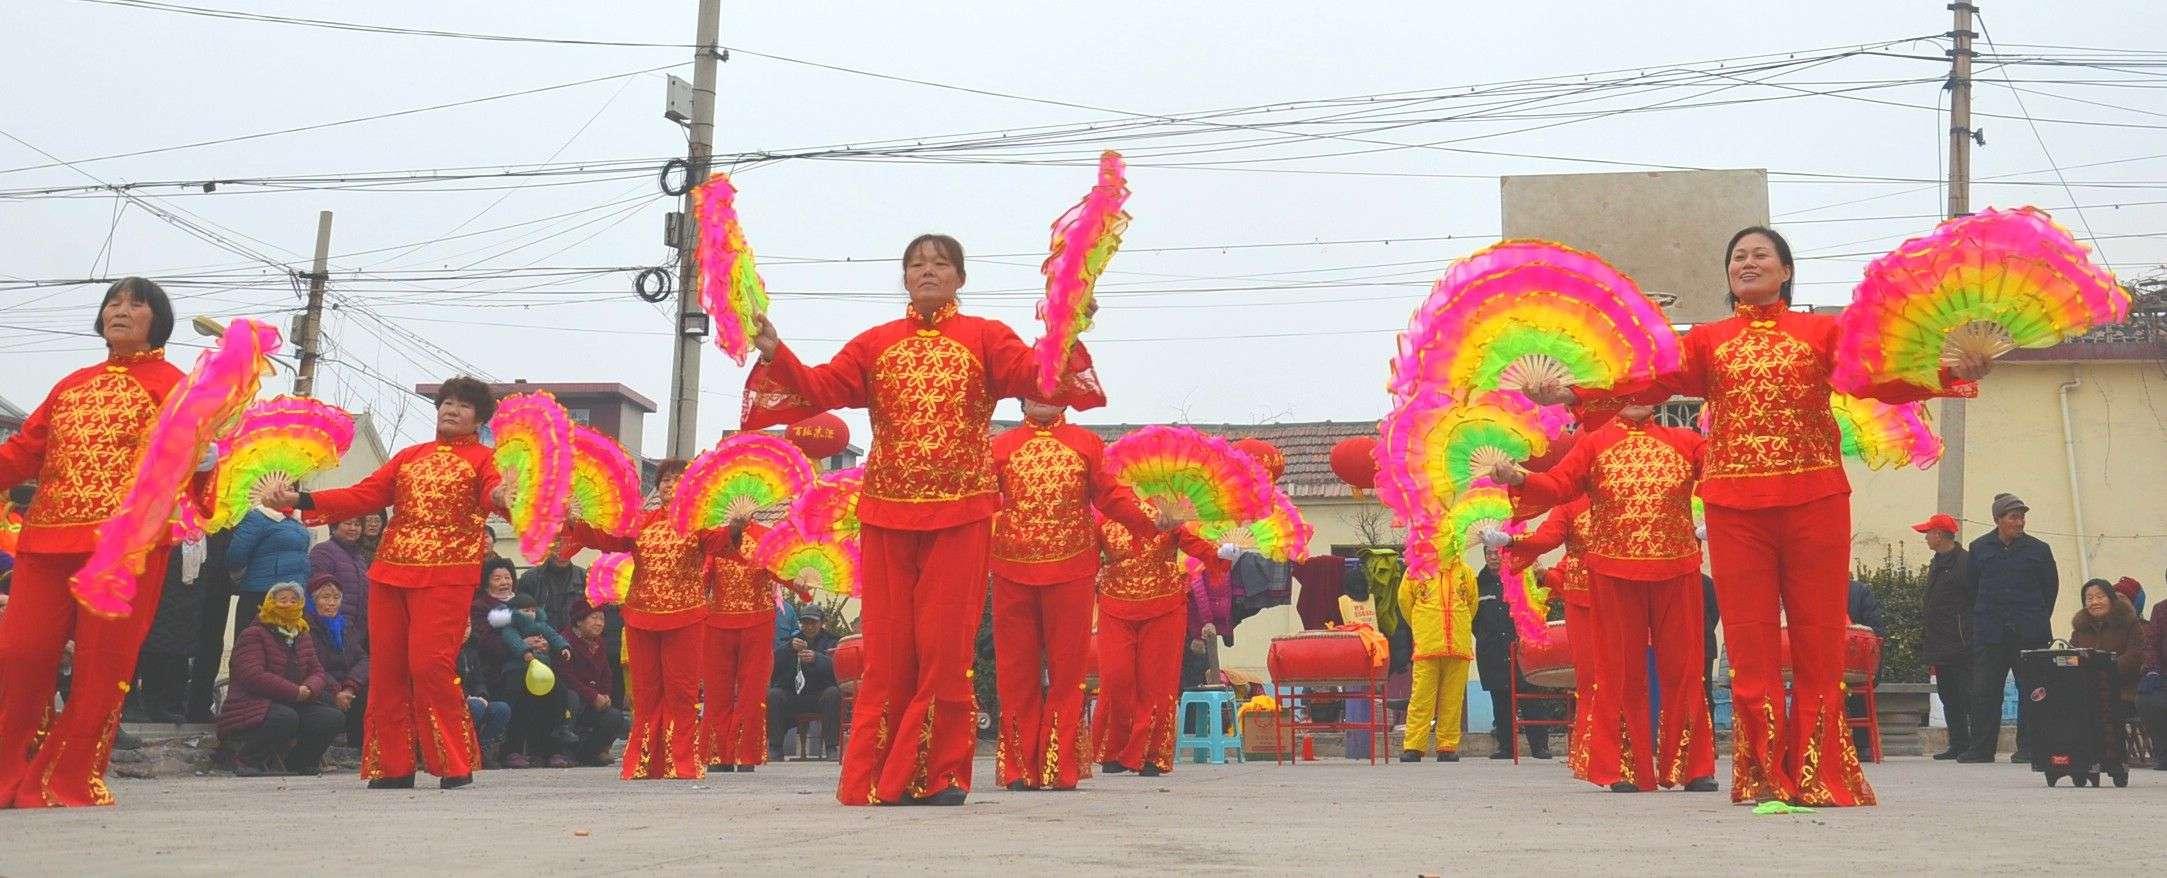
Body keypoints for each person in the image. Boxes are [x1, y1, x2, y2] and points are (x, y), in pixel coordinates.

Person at [1529, 227, 1992, 806]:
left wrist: (1953, 372)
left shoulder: (1822, 332)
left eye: (1759, 256)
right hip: (1734, 507)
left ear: (1786, 271)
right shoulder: (1707, 342)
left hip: (1815, 500)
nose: (1747, 263)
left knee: (1818, 643)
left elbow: (1874, 376)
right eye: (1737, 258)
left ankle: (1822, 778)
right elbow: (1647, 377)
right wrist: (1574, 390)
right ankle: (1764, 776)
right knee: (1749, 647)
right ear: (1728, 276)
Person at [742, 233, 1108, 806]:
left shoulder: (986, 337)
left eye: (940, 264)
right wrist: (774, 351)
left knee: (944, 648)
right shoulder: (876, 343)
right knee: (889, 651)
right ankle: (882, 773)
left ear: (960, 277)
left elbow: (1037, 379)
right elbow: (818, 387)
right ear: (904, 278)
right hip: (887, 512)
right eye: (917, 264)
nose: (928, 272)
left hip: (961, 512)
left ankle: (939, 774)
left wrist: (1069, 331)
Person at [0, 277, 205, 807]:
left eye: (135, 304)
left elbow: (197, 469)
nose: (120, 310)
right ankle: (8, 771)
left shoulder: (176, 385)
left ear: (157, 319)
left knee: (101, 668)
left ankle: (66, 777)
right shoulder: (71, 384)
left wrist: (209, 456)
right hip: (46, 539)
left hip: (125, 549)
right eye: (113, 301)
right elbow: (23, 453)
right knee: (21, 655)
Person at [266, 376, 508, 791]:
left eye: (463, 406)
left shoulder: (486, 460)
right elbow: (365, 495)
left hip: (447, 575)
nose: (451, 410)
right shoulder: (409, 456)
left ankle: (454, 760)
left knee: (430, 666)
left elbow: (492, 496)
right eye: (446, 402)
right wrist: (301, 500)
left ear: (479, 419)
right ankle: (392, 764)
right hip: (391, 571)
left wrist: (504, 496)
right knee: (389, 670)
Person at [1494, 399, 1714, 791]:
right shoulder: (1593, 444)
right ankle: (1626, 769)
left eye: (1646, 388)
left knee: (1684, 669)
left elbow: (1722, 473)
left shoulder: (1686, 441)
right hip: (1612, 573)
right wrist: (1520, 477)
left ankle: (1693, 766)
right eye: (1627, 389)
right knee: (1618, 671)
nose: (1637, 397)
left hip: (1678, 567)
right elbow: (1558, 485)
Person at [987, 398, 1161, 791]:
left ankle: (1060, 766)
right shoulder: (999, 446)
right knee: (1016, 674)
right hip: (1012, 569)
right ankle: (1018, 769)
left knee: (1068, 675)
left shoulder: (1086, 444)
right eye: (1034, 388)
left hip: (1072, 571)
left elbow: (1111, 496)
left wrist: (1152, 520)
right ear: (1021, 397)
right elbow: (980, 501)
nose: (1043, 397)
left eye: (1052, 387)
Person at [562, 459, 735, 781]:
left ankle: (679, 762)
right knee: (645, 692)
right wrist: (575, 521)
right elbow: (606, 540)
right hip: (641, 615)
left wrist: (736, 526)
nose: (670, 485)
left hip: (686, 617)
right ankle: (643, 762)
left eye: (677, 480)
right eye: (665, 480)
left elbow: (722, 545)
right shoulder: (641, 521)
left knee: (681, 692)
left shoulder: (701, 524)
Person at [1094, 511, 1235, 778]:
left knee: (1156, 684)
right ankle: (1115, 750)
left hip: (1164, 607)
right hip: (1115, 606)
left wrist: (1222, 554)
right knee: (1116, 677)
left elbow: (1196, 543)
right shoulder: (1105, 512)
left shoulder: (1168, 509)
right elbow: (1086, 557)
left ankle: (1151, 755)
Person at [1499, 494, 1620, 782]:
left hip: (1621, 599)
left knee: (1622, 681)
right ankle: (1594, 757)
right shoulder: (1570, 510)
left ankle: (1626, 757)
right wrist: (1541, 573)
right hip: (1583, 604)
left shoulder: (1623, 501)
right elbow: (1561, 566)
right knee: (1591, 682)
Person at [1957, 494, 2058, 764]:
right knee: (1985, 690)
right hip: (1991, 633)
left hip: (2029, 633)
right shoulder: (1979, 548)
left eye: (2022, 516)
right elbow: (1972, 589)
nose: (2020, 521)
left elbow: (2050, 590)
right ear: (1998, 520)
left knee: (2032, 691)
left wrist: (2034, 619)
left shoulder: (2039, 550)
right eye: (2013, 516)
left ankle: (2029, 748)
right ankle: (1981, 748)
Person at [218, 583, 343, 777]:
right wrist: (294, 692)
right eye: (282, 600)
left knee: (330, 718)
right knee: (285, 717)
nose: (288, 605)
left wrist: (308, 689)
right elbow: (252, 676)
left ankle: (299, 762)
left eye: (294, 601)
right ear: (270, 602)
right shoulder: (254, 633)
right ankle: (248, 760)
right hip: (252, 703)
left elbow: (318, 671)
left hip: (294, 701)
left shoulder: (302, 633)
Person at [701, 517, 777, 773]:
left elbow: (783, 569)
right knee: (716, 693)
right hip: (718, 623)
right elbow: (703, 576)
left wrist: (798, 583)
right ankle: (717, 754)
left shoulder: (766, 536)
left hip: (758, 623)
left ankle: (746, 754)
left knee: (752, 693)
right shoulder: (715, 537)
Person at [1473, 548, 1552, 762]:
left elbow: (1538, 602)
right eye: (1488, 553)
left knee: (1531, 697)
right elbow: (1472, 616)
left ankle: (1540, 746)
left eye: (1497, 553)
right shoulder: (1477, 583)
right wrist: (1484, 636)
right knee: (1501, 699)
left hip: (1521, 647)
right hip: (1492, 649)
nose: (1492, 557)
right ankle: (1506, 746)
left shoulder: (1519, 577)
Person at [1399, 563, 1478, 762]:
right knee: (1421, 698)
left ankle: (1447, 746)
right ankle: (1414, 746)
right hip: (1428, 645)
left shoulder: (1465, 571)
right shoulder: (1415, 571)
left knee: (1453, 700)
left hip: (1458, 646)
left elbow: (1472, 605)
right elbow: (1405, 603)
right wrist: (1424, 626)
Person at [1913, 513, 1972, 760]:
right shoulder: (1937, 561)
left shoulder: (1966, 563)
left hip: (1961, 641)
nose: (1925, 537)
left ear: (1938, 534)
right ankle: (1957, 743)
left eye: (1928, 533)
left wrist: (1967, 631)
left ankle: (1972, 743)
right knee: (1948, 695)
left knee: (1965, 694)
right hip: (1939, 640)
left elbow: (1973, 600)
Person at [498, 594, 575, 769]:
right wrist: (525, 651)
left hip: (543, 674)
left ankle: (554, 746)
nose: (530, 614)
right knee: (520, 708)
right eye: (525, 610)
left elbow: (555, 637)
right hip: (517, 673)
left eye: (533, 610)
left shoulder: (541, 626)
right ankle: (514, 750)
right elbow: (513, 641)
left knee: (560, 696)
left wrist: (563, 647)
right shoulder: (510, 626)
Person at [132, 542, 204, 724]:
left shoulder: (202, 529)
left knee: (176, 650)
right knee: (155, 647)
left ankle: (169, 702)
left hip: (186, 595)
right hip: (161, 588)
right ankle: (150, 702)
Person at [768, 604, 842, 762]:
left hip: (819, 695)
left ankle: (831, 747)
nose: (809, 626)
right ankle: (775, 747)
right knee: (774, 695)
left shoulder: (832, 641)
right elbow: (775, 665)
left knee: (833, 693)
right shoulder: (791, 641)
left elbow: (837, 668)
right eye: (805, 623)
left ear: (822, 623)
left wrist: (817, 658)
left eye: (813, 623)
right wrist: (789, 648)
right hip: (794, 694)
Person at [559, 603, 627, 767]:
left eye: (602, 619)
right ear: (579, 622)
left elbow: (606, 674)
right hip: (573, 699)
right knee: (572, 700)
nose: (599, 623)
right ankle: (564, 752)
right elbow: (566, 677)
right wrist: (593, 696)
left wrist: (604, 695)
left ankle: (592, 753)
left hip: (593, 700)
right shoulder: (565, 642)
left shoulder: (599, 643)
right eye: (594, 618)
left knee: (616, 717)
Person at [225, 504, 312, 633]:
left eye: (291, 487)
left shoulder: (295, 519)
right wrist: (239, 577)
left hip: (293, 595)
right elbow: (237, 554)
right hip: (262, 593)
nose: (288, 490)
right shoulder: (258, 516)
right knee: (254, 645)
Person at [306, 576, 368, 745]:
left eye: (336, 598)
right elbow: (313, 666)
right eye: (325, 598)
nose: (331, 603)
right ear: (313, 600)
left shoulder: (344, 625)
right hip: (321, 683)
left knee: (367, 692)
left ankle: (358, 747)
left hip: (345, 685)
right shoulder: (306, 627)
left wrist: (350, 686)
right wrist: (336, 691)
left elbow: (362, 658)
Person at [185, 528, 236, 723]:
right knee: (184, 642)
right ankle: (177, 702)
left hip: (217, 583)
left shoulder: (234, 508)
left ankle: (199, 704)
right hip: (188, 581)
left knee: (211, 645)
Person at [2068, 580, 2143, 712]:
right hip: (2088, 688)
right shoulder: (2080, 629)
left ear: (2111, 599)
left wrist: (2103, 670)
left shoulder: (2129, 623)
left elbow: (2135, 656)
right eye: (2089, 598)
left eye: (2100, 597)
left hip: (2123, 688)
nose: (2095, 602)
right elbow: (2071, 658)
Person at [458, 624, 512, 769]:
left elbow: (479, 680)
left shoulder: (471, 651)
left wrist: (481, 695)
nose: (465, 630)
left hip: (474, 698)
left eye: (468, 626)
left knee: (502, 709)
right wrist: (467, 696)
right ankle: (466, 748)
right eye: (462, 625)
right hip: (454, 699)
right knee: (475, 707)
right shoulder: (446, 651)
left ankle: (483, 746)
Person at [1845, 578, 1887, 757]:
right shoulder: (1816, 589)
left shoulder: (1859, 592)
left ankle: (1863, 745)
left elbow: (1876, 631)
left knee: (1854, 683)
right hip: (1830, 662)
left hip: (1855, 663)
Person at [308, 517, 372, 625]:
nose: (353, 528)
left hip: (358, 628)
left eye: (357, 524)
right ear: (334, 527)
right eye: (347, 523)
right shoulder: (323, 551)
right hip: (332, 625)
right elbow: (318, 591)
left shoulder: (360, 558)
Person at [516, 546, 585, 636]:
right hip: (540, 640)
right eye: (557, 546)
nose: (562, 553)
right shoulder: (530, 578)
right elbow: (520, 616)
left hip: (575, 641)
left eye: (568, 546)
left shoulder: (583, 577)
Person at [2138, 588, 2166, 771]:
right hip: (2164, 675)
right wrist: (2153, 670)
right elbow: (2151, 645)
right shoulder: (2161, 610)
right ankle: (2164, 753)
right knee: (2148, 698)